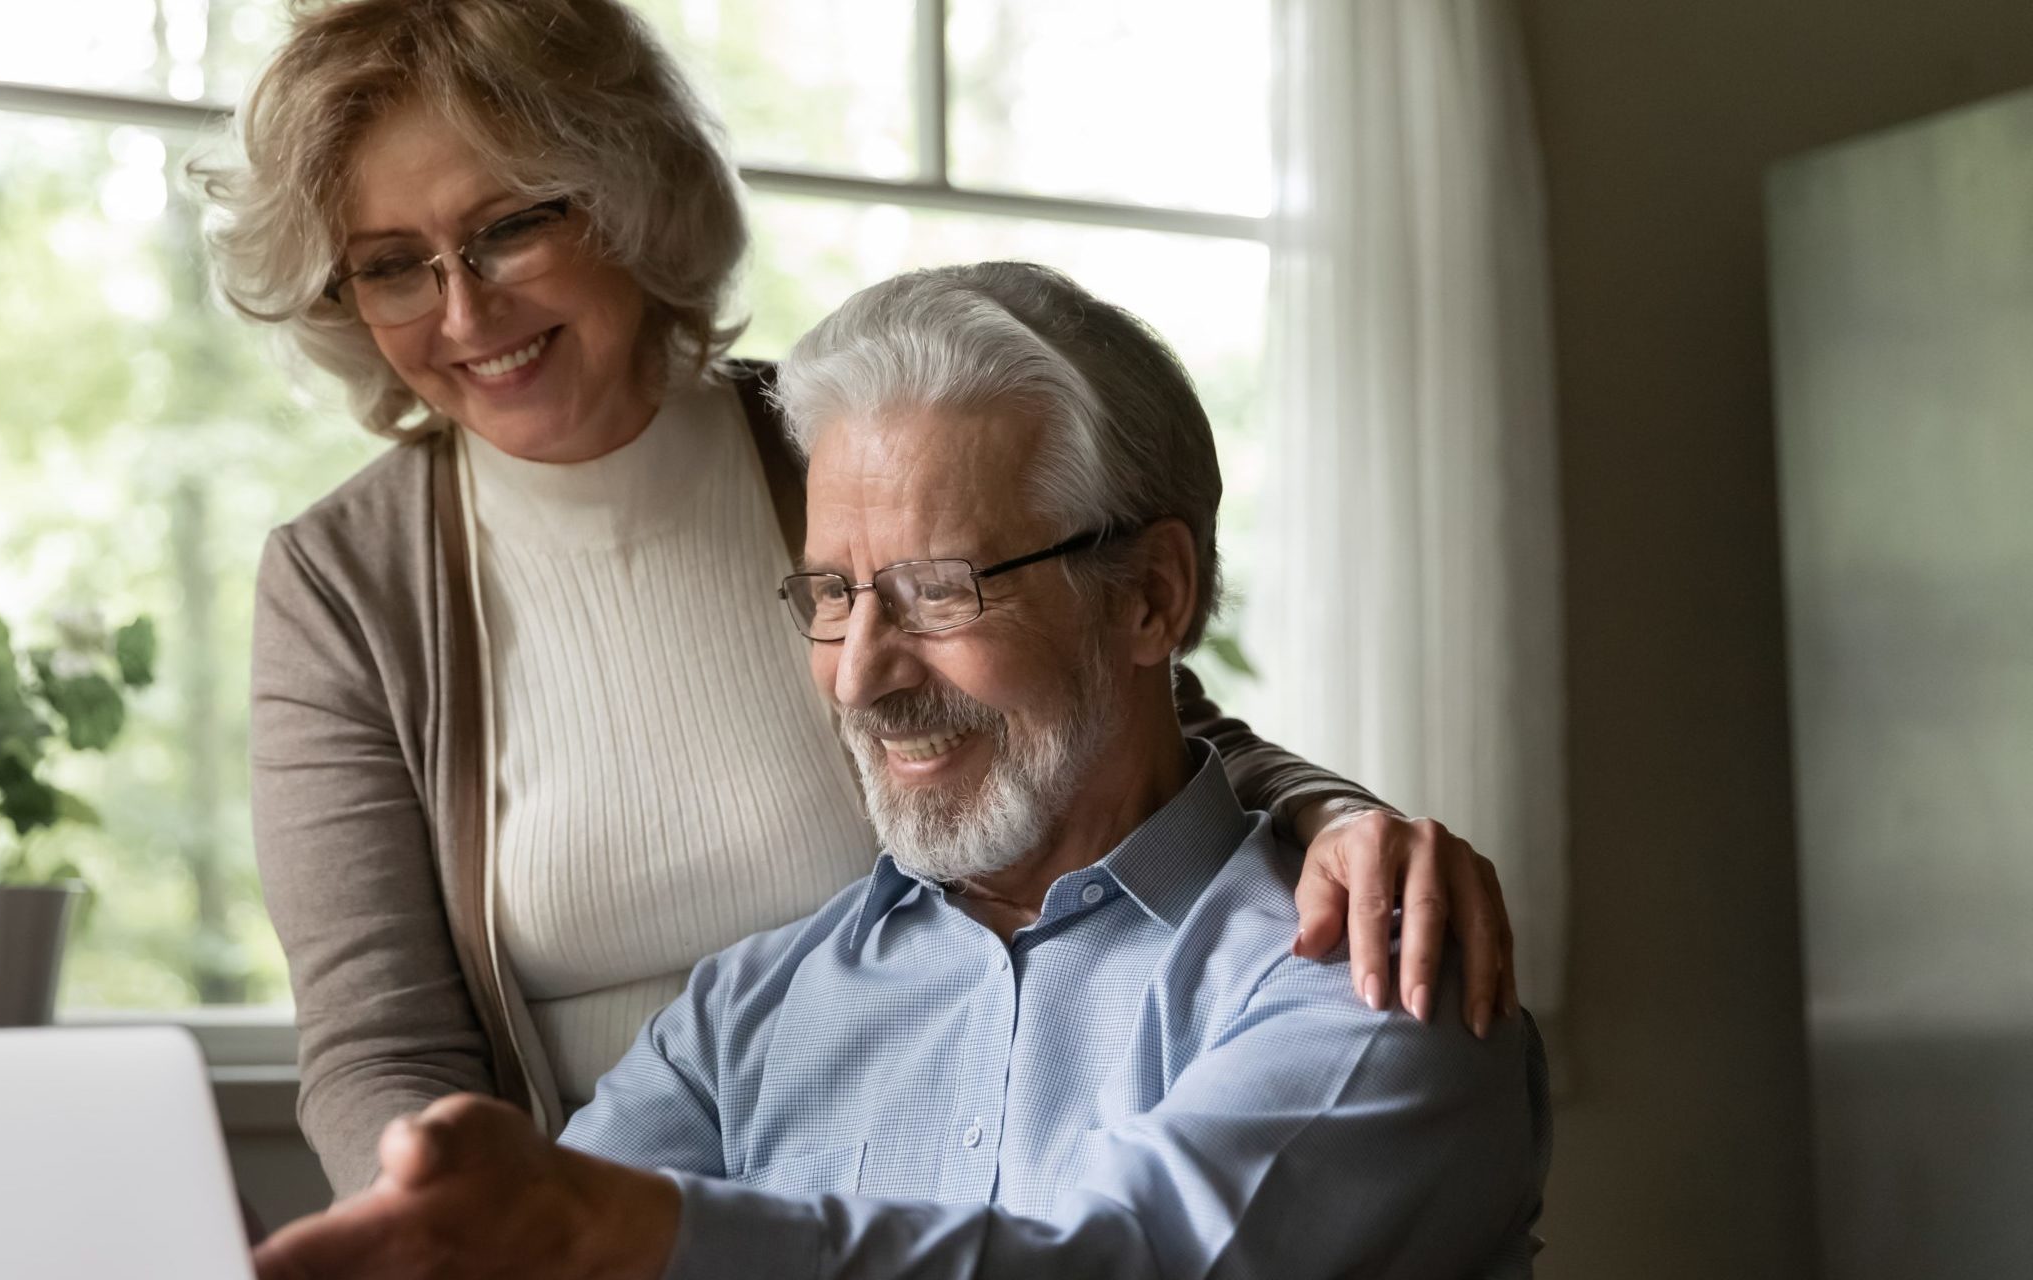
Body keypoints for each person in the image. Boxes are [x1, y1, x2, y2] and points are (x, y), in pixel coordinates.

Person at [199, 0, 1519, 1198]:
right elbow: (382, 1028)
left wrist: (1337, 816)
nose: (463, 307)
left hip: (959, 1173)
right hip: (604, 1197)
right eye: (390, 264)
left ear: (623, 195)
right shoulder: (345, 582)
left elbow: (1117, 684)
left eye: (508, 228)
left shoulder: (849, 445)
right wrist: (471, 1225)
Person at [247, 262, 1550, 1280]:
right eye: (830, 594)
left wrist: (639, 1245)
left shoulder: (1376, 980)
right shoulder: (747, 1013)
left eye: (936, 592)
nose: (864, 673)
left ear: (1151, 598)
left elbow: (1128, 1268)